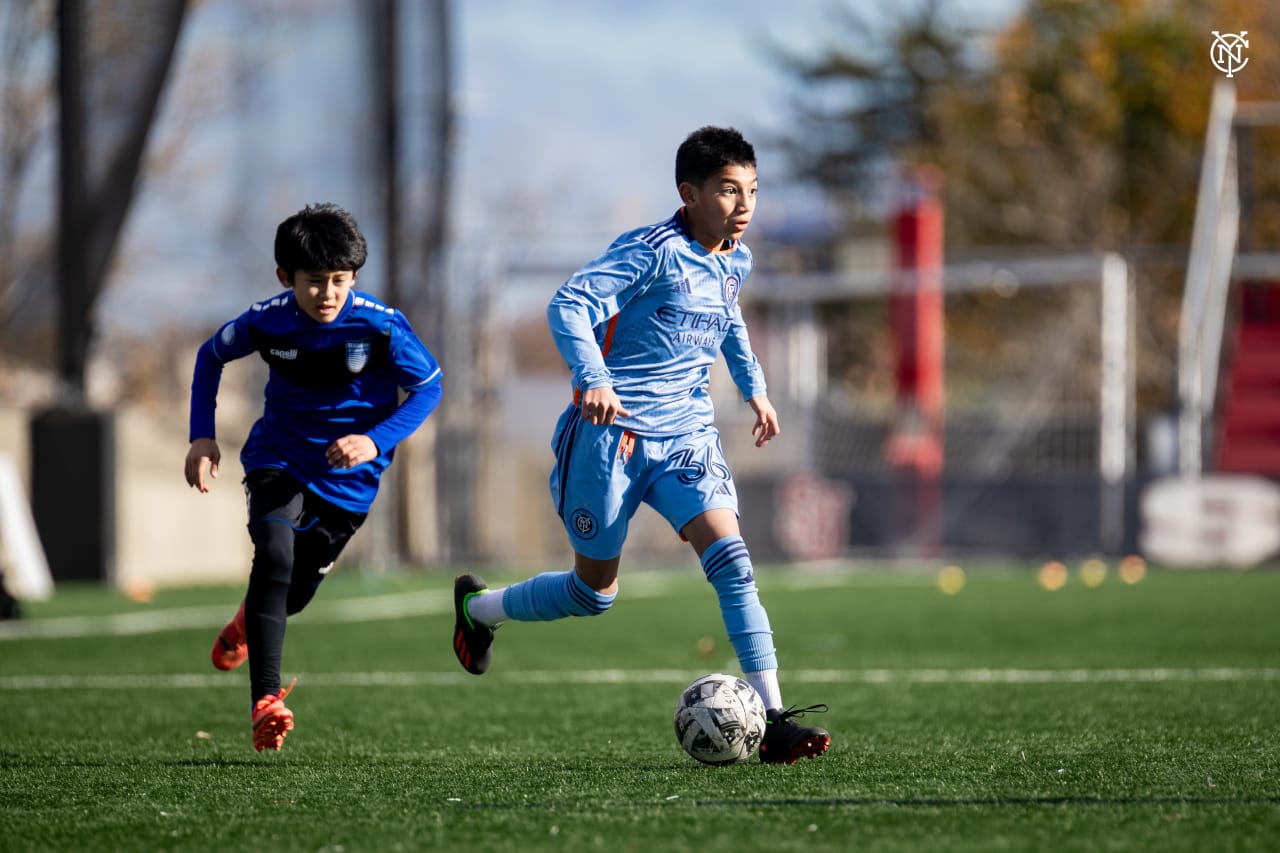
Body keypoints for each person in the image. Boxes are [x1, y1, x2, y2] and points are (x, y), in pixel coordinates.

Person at [451, 127, 830, 764]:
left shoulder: (736, 257)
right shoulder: (649, 251)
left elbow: (730, 319)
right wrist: (593, 377)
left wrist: (755, 389)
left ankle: (771, 717)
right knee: (592, 594)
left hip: (688, 437)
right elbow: (569, 304)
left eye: (753, 190)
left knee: (734, 566)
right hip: (611, 438)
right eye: (728, 190)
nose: (744, 204)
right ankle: (480, 608)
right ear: (689, 193)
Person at [185, 203, 442, 752]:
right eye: (314, 282)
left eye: (339, 281)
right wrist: (201, 435)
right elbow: (210, 357)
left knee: (293, 594)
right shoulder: (266, 320)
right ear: (285, 277)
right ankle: (265, 702)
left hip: (351, 482)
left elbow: (429, 388)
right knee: (274, 556)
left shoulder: (380, 325)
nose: (328, 294)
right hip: (278, 457)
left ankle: (242, 624)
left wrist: (374, 439)